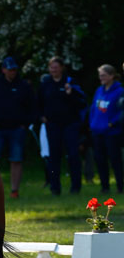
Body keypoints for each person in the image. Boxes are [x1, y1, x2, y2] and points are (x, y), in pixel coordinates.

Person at [0, 56, 36, 199]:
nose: (13, 72)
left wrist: (25, 124)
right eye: (10, 69)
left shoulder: (23, 86)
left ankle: (14, 190)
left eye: (14, 69)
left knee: (16, 159)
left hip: (17, 129)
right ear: (3, 69)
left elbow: (31, 106)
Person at [38, 56, 87, 196]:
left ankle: (76, 187)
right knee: (54, 157)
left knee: (73, 155)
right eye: (51, 67)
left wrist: (70, 94)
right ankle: (55, 188)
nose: (53, 69)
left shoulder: (71, 82)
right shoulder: (45, 84)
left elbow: (81, 103)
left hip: (70, 124)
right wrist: (41, 117)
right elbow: (38, 103)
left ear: (62, 67)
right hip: (52, 125)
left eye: (56, 66)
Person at [88, 64, 124, 194]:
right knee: (100, 159)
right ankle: (105, 186)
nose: (101, 78)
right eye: (100, 75)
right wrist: (92, 123)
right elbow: (93, 108)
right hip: (97, 131)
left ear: (111, 76)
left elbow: (121, 112)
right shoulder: (99, 90)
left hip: (112, 132)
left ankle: (120, 186)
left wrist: (111, 124)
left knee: (115, 160)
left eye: (103, 75)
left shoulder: (120, 91)